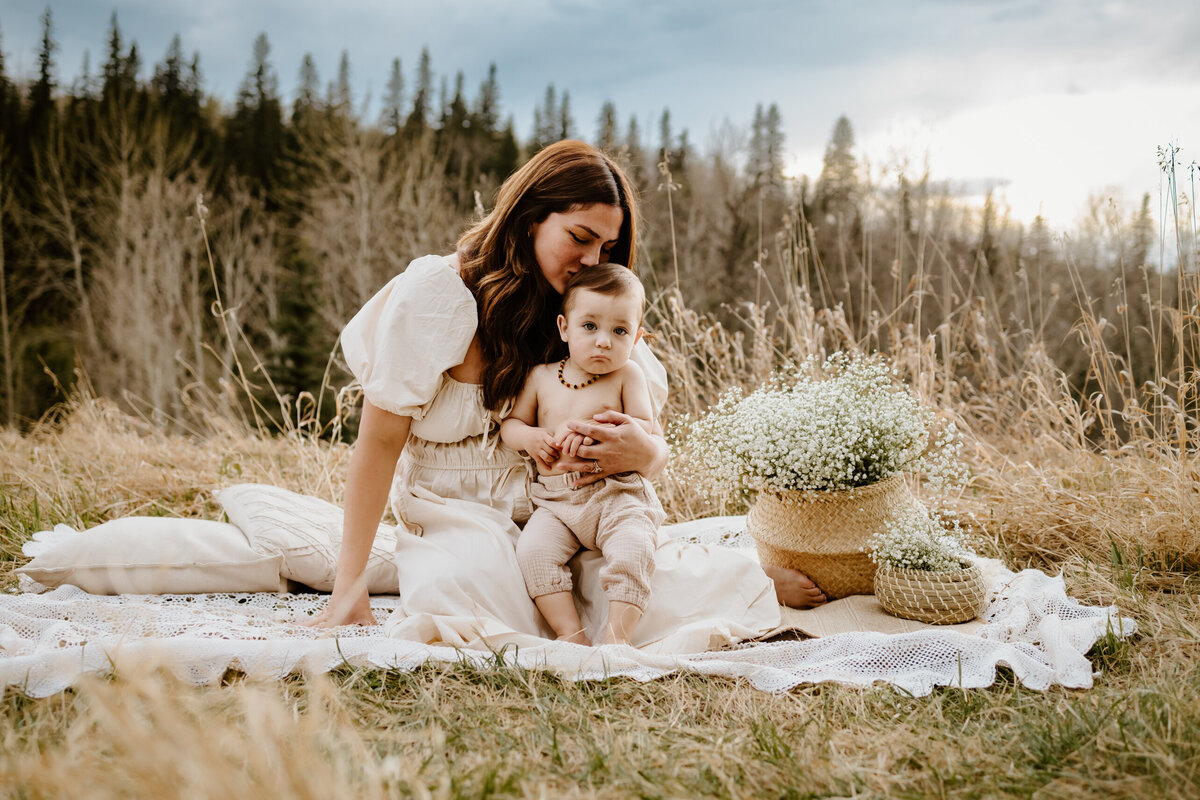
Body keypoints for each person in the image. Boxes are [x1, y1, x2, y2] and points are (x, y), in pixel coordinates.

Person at [305, 140, 825, 649]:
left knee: (638, 587)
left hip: (570, 506)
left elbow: (648, 438)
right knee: (467, 595)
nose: (590, 259)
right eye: (579, 237)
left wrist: (647, 453)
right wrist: (348, 591)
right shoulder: (441, 294)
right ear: (531, 217)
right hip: (457, 512)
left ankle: (739, 581)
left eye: (606, 248)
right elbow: (377, 443)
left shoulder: (590, 316)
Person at [501, 264, 663, 646]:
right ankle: (570, 633)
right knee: (533, 552)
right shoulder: (541, 377)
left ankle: (616, 638)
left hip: (617, 494)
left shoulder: (629, 377)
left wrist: (610, 431)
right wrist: (534, 437)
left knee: (634, 548)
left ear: (635, 339)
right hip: (557, 502)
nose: (604, 341)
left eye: (619, 331)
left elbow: (646, 428)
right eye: (590, 326)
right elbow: (511, 426)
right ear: (564, 328)